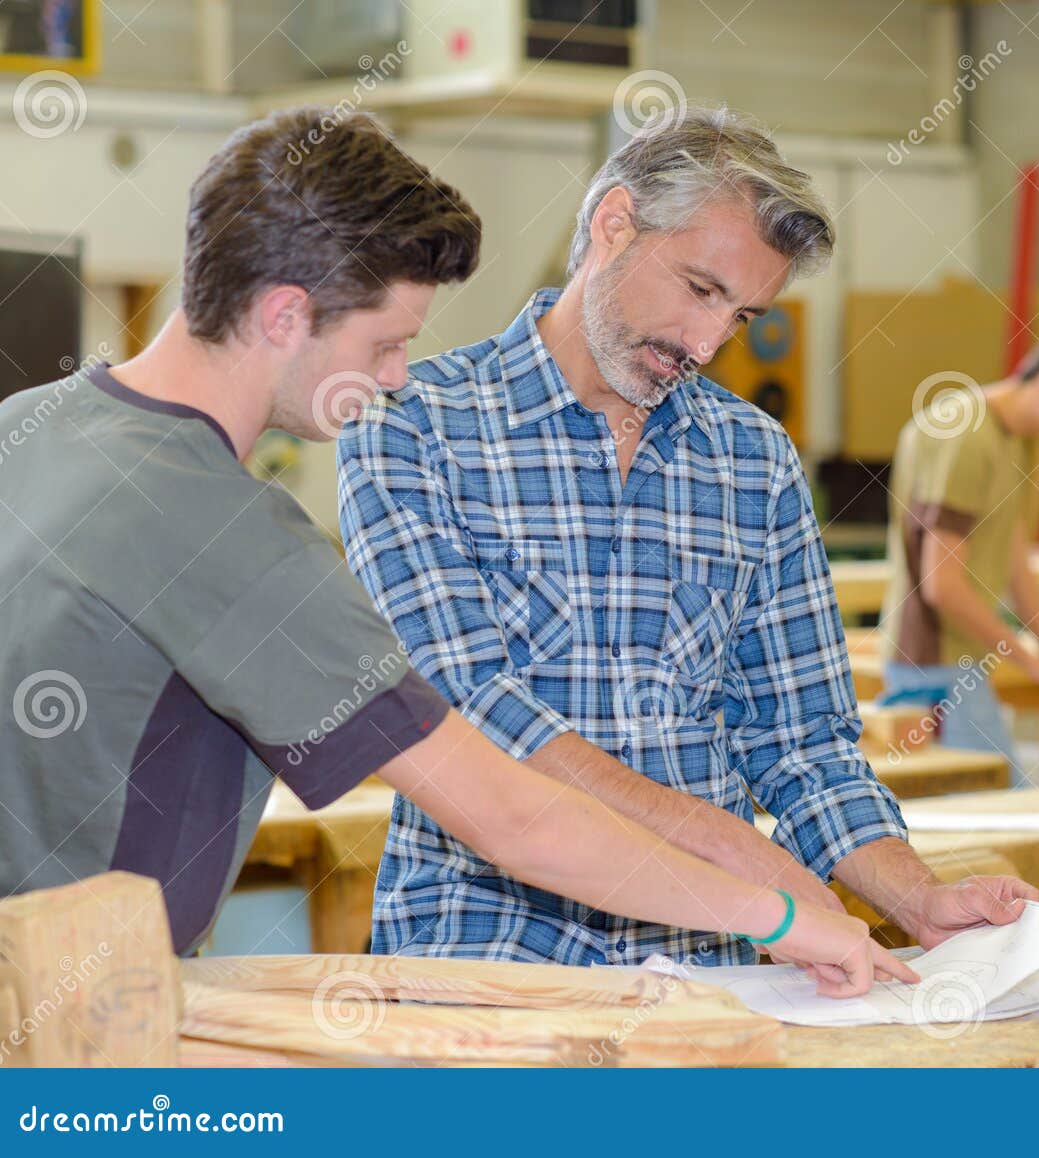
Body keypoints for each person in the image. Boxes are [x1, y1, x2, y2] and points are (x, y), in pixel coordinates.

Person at [0, 107, 915, 997]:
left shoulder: (27, 432)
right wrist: (778, 913)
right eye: (387, 342)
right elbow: (512, 814)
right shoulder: (233, 532)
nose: (396, 375)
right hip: (71, 1022)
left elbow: (797, 737)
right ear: (285, 315)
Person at [336, 105, 1039, 969]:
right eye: (702, 290)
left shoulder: (754, 460)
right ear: (614, 225)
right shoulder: (416, 427)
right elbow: (474, 721)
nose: (708, 343)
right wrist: (744, 863)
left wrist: (917, 895)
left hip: (707, 966)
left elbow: (802, 741)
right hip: (489, 959)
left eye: (743, 317)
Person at [879, 327, 1039, 782]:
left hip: (963, 658)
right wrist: (1034, 663)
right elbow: (942, 584)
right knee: (994, 804)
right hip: (932, 663)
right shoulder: (965, 435)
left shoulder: (1013, 437)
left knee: (1004, 798)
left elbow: (1012, 552)